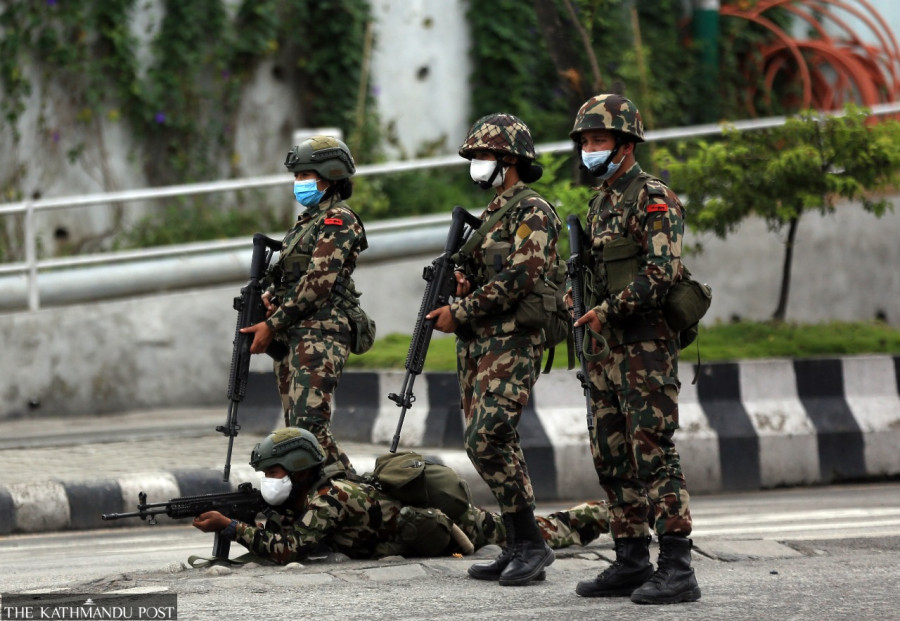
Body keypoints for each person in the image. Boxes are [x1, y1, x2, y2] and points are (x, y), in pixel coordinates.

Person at [567, 94, 701, 605]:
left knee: (652, 452)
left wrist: (609, 309)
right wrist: (575, 303)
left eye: (597, 140)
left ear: (625, 144)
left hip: (644, 349)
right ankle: (630, 559)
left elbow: (663, 272)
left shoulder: (652, 197)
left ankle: (677, 565)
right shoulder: (601, 203)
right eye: (584, 141)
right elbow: (599, 278)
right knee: (611, 452)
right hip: (603, 352)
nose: (588, 149)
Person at [425, 113, 561, 586]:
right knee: (492, 444)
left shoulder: (534, 211)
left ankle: (532, 545)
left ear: (509, 160)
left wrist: (460, 312)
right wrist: (461, 286)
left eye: (483, 156)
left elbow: (522, 276)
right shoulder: (493, 214)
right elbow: (492, 275)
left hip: (514, 341)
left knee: (487, 436)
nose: (476, 165)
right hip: (482, 343)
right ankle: (520, 544)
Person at [192, 427, 609, 565]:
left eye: (275, 472)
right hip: (414, 525)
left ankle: (607, 515)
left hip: (455, 525)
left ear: (300, 469)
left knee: (538, 531)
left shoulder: (329, 498)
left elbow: (290, 548)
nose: (269, 480)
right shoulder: (311, 494)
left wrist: (231, 527)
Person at [240, 136, 366, 473]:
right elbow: (294, 279)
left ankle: (360, 501)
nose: (299, 184)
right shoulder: (306, 223)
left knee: (310, 434)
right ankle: (322, 507)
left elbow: (318, 281)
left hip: (321, 335)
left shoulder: (338, 219)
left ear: (330, 175)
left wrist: (272, 324)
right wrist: (270, 300)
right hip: (296, 335)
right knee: (299, 435)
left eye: (305, 175)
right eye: (296, 177)